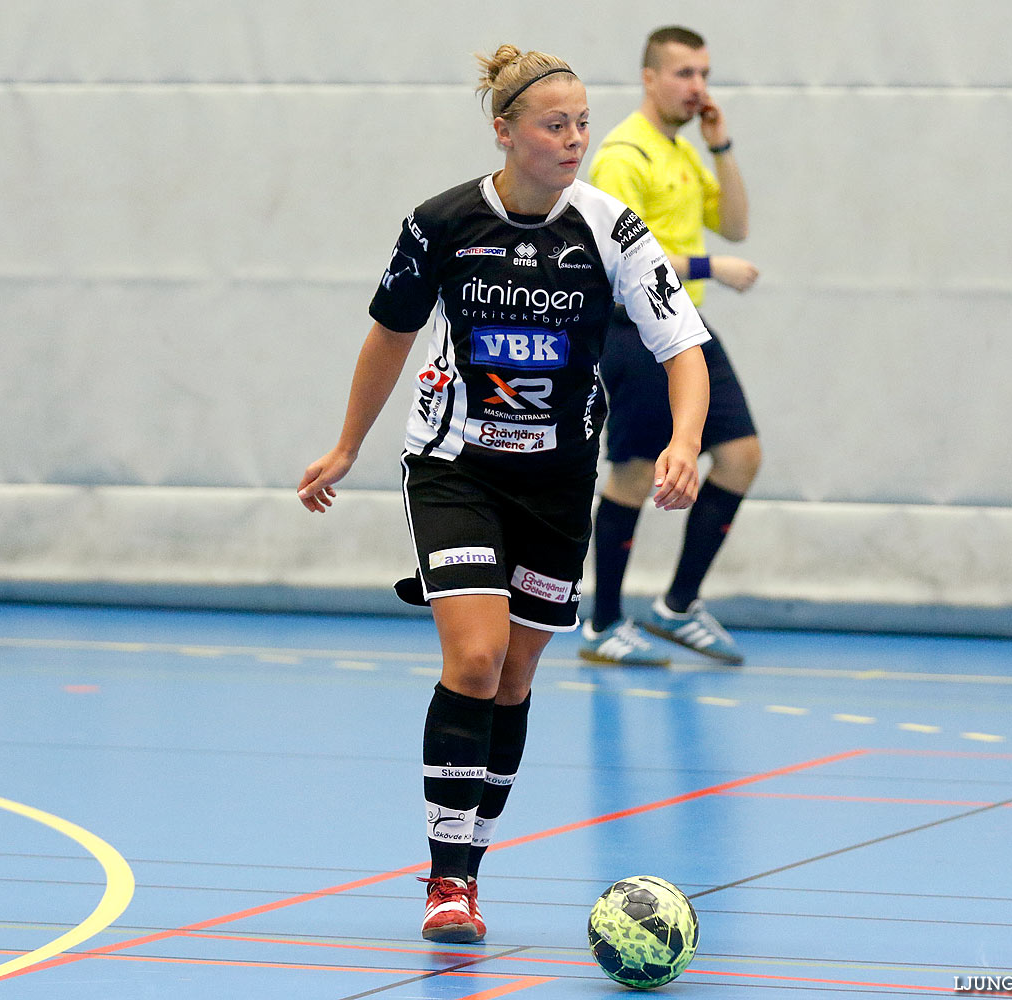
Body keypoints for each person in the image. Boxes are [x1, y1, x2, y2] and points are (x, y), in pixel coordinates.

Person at [297, 45, 712, 943]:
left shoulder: (610, 227)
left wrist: (683, 440)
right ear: (506, 132)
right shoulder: (443, 222)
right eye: (553, 126)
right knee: (477, 661)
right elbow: (389, 336)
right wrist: (345, 446)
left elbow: (685, 347)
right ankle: (445, 881)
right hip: (457, 469)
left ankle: (471, 868)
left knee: (516, 679)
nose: (572, 141)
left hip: (559, 481)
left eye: (580, 125)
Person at [579, 25, 762, 667]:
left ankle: (677, 606)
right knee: (633, 473)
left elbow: (735, 224)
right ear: (650, 77)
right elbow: (623, 256)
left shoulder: (681, 152)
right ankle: (601, 624)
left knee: (740, 456)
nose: (698, 88)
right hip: (637, 333)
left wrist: (722, 145)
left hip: (686, 328)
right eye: (685, 74)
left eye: (704, 74)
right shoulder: (623, 155)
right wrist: (711, 269)